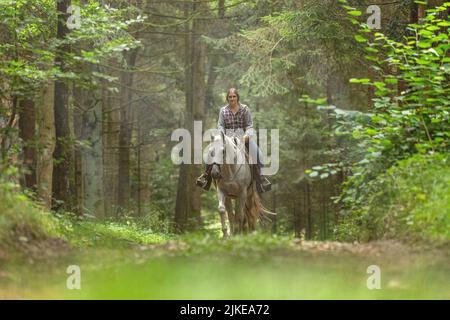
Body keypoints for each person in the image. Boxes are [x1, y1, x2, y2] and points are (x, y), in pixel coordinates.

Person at [196, 88, 271, 193]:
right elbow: (220, 125)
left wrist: (247, 136)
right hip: (227, 139)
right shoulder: (223, 110)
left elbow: (249, 125)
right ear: (227, 98)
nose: (232, 99)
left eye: (234, 96)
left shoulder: (245, 109)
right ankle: (206, 177)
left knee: (258, 154)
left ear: (237, 97)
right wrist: (222, 135)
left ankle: (261, 180)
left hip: (243, 138)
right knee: (210, 152)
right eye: (230, 97)